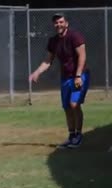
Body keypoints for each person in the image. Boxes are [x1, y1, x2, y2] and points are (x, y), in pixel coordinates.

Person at [29, 12, 89, 149]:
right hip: (65, 78)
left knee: (74, 104)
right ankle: (72, 136)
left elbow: (82, 55)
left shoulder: (75, 36)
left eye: (61, 22)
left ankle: (79, 135)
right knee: (67, 108)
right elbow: (48, 60)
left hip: (80, 75)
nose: (58, 24)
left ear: (66, 23)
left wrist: (78, 76)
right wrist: (37, 72)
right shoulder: (53, 41)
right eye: (56, 22)